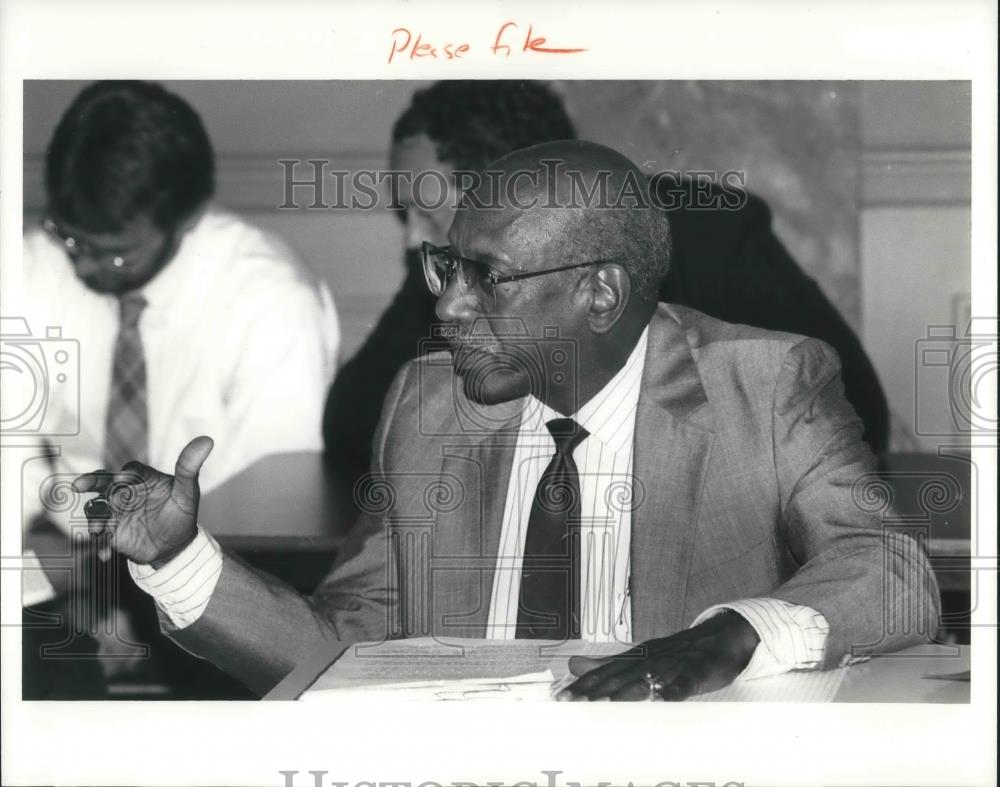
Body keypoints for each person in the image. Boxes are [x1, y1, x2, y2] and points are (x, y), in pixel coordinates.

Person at [77, 141, 938, 700]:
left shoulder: (765, 384)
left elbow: (894, 571)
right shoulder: (426, 408)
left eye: (487, 277)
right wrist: (182, 562)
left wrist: (738, 633)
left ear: (599, 291)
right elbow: (342, 651)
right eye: (445, 266)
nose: (449, 306)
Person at [323, 81, 889, 491]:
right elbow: (350, 429)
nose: (411, 241)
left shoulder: (714, 235)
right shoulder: (452, 268)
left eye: (424, 212)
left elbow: (856, 410)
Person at [21, 80, 339, 696]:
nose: (83, 267)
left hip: (201, 584)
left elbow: (262, 529)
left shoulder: (271, 301)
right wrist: (63, 573)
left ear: (185, 218)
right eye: (72, 238)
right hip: (53, 573)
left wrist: (124, 586)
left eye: (114, 255)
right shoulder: (33, 264)